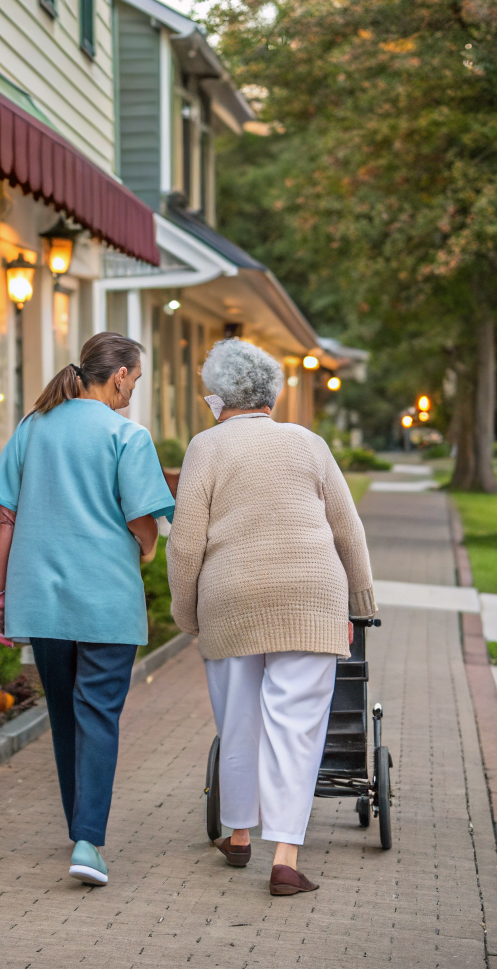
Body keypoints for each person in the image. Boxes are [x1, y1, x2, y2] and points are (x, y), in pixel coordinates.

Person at [166, 338, 377, 897]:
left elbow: (185, 544)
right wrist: (362, 605)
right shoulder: (309, 444)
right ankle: (284, 856)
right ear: (271, 394)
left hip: (230, 599)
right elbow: (347, 529)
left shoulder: (205, 447)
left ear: (219, 396)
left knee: (237, 722)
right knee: (296, 728)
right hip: (311, 598)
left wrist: (186, 613)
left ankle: (239, 836)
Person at [0, 331, 175, 887]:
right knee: (97, 715)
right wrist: (146, 546)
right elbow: (144, 523)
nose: (132, 393)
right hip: (105, 601)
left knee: (66, 714)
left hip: (41, 599)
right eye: (134, 382)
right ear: (118, 376)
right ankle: (87, 842)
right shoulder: (126, 435)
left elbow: (6, 520)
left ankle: (81, 830)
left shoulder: (32, 427)